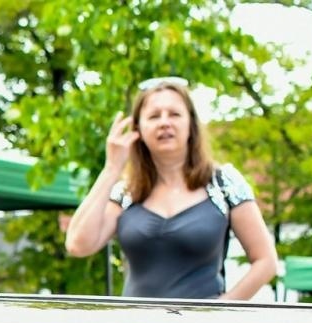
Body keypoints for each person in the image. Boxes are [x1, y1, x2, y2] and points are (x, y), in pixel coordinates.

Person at [64, 78, 277, 300]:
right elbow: (78, 244)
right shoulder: (127, 192)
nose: (164, 123)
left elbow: (266, 262)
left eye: (174, 114)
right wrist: (111, 168)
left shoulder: (224, 184)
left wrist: (221, 310)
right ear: (138, 129)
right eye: (154, 116)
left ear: (191, 124)